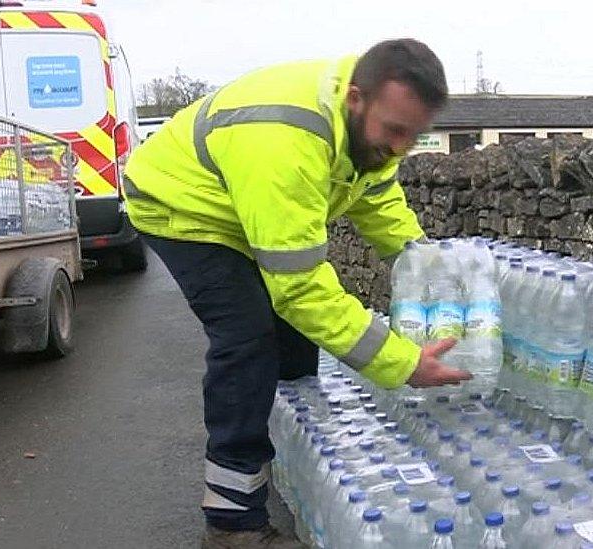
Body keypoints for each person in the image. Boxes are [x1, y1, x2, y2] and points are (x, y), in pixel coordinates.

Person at [122, 38, 472, 548]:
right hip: (184, 207)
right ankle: (232, 521)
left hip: (247, 205)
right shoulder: (286, 139)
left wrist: (425, 265)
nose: (400, 147)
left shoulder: (365, 128)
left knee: (294, 339)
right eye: (395, 132)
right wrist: (402, 363)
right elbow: (301, 290)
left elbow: (376, 198)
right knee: (249, 336)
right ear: (356, 98)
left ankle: (286, 453)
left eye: (414, 136)